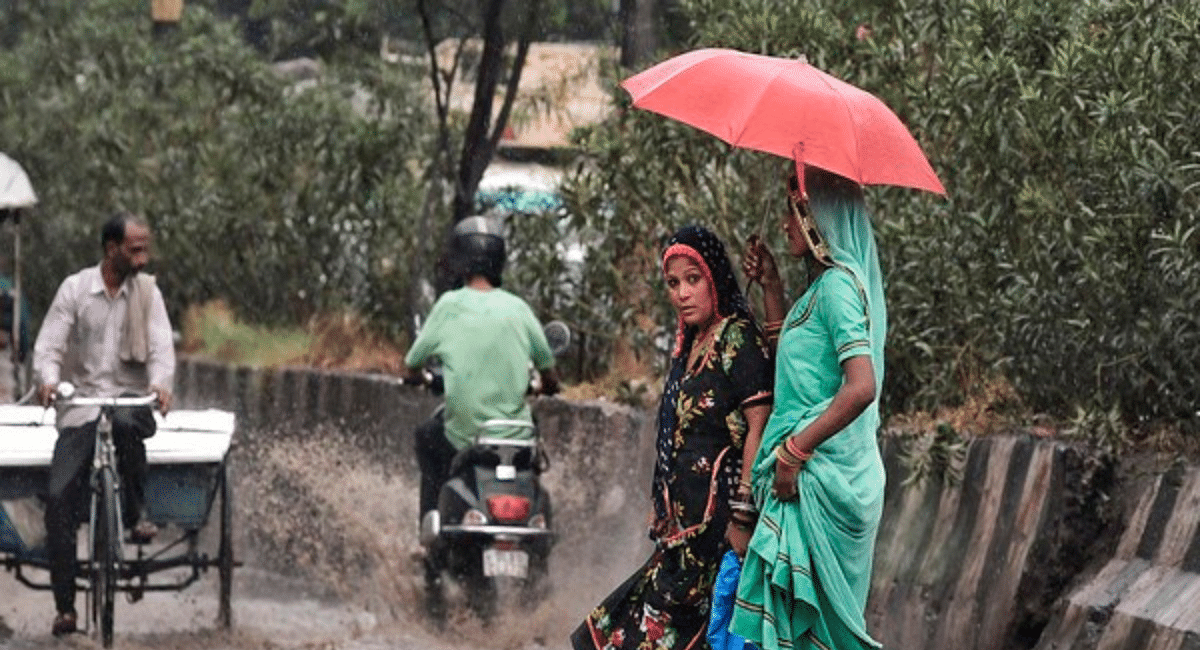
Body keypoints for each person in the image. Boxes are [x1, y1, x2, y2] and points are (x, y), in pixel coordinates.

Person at [572, 225, 773, 650]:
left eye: (693, 279)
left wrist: (742, 515)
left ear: (715, 278)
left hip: (717, 531)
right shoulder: (693, 344)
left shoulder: (738, 338)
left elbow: (761, 424)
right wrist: (663, 504)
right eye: (673, 283)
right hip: (683, 532)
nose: (682, 293)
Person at [730, 167, 887, 650]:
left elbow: (862, 386)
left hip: (821, 480)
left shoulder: (838, 287)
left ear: (817, 215)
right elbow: (795, 375)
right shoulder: (818, 291)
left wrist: (795, 451)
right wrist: (773, 289)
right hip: (802, 476)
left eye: (793, 212)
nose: (785, 224)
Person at [32, 212, 175, 637]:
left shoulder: (148, 294)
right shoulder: (75, 289)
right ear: (111, 249)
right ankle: (65, 608)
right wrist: (49, 381)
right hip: (82, 406)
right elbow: (49, 346)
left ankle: (135, 511)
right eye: (135, 249)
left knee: (131, 426)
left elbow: (162, 349)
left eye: (145, 247)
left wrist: (161, 384)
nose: (143, 257)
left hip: (129, 400)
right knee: (58, 500)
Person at [404, 216, 560, 565]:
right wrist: (545, 384)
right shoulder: (518, 308)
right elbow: (549, 369)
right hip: (515, 440)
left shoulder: (448, 306)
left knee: (427, 439)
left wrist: (420, 375)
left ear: (458, 259)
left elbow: (413, 362)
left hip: (465, 437)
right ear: (500, 259)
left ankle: (427, 534)